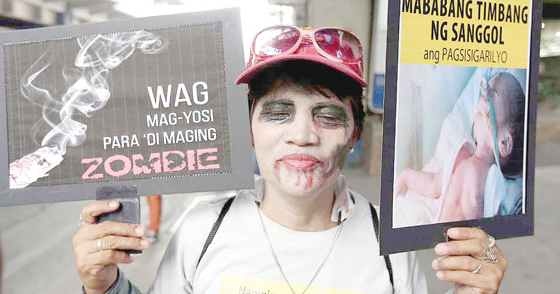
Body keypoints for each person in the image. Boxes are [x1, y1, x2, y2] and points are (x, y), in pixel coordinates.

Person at [73, 26, 508, 294]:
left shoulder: (390, 250)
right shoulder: (201, 231)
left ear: (354, 135)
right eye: (278, 113)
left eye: (328, 115)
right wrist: (103, 285)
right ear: (249, 129)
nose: (302, 135)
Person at [395, 72, 525, 222]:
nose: (482, 98)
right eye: (485, 90)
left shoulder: (489, 181)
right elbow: (434, 184)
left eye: (492, 94)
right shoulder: (462, 154)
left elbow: (478, 221)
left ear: (504, 143)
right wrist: (406, 177)